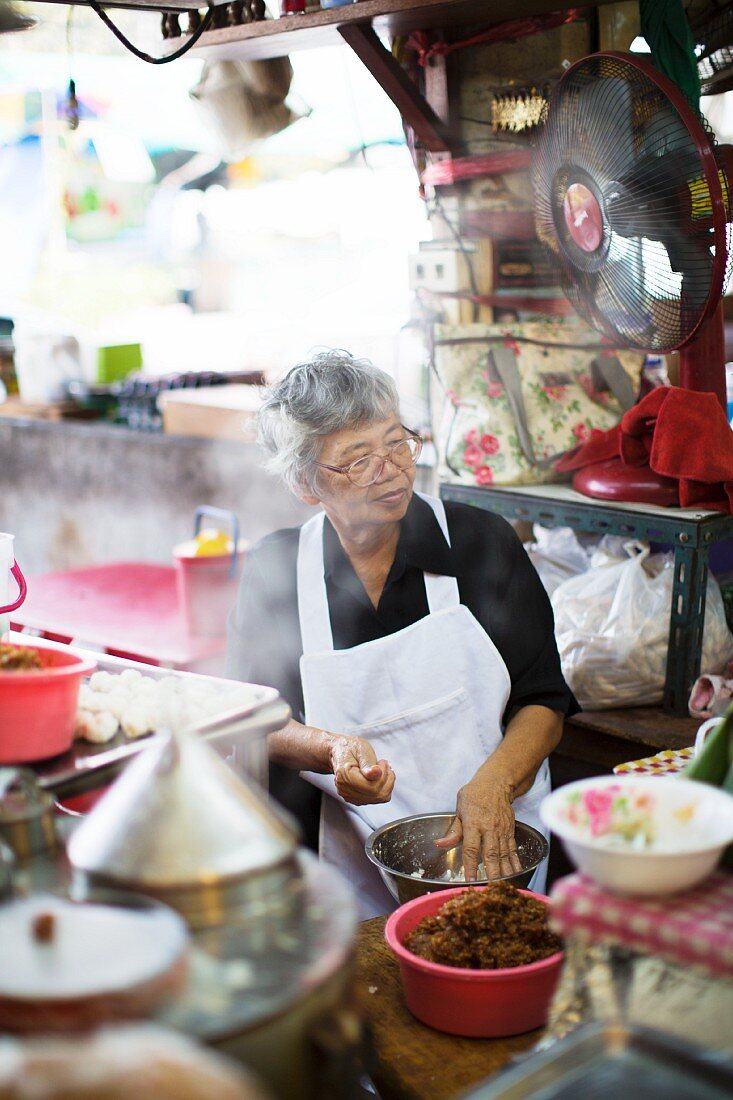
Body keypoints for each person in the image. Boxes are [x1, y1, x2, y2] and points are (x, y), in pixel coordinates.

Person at [227, 350, 578, 917]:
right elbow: (254, 719)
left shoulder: (480, 543)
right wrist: (330, 748)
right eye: (356, 459)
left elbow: (544, 700)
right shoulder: (277, 571)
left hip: (492, 846)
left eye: (396, 442)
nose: (388, 469)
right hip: (344, 861)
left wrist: (493, 785)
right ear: (306, 484)